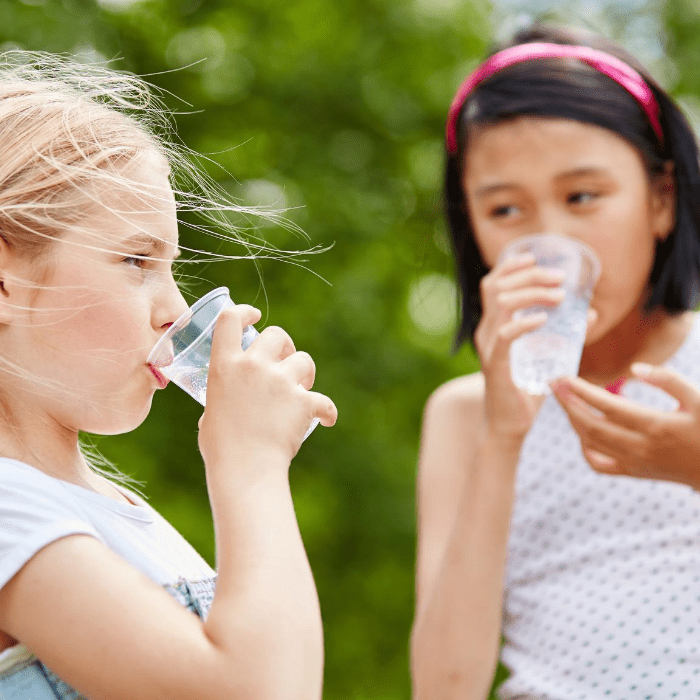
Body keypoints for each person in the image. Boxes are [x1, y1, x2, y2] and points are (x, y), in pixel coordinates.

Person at [0, 51, 337, 699]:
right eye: (136, 260)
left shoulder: (121, 513)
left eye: (171, 266)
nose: (177, 310)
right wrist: (252, 465)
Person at [411, 22, 700, 700]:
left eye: (582, 197)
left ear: (661, 200)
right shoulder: (464, 417)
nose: (549, 237)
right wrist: (504, 437)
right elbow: (444, 687)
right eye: (506, 208)